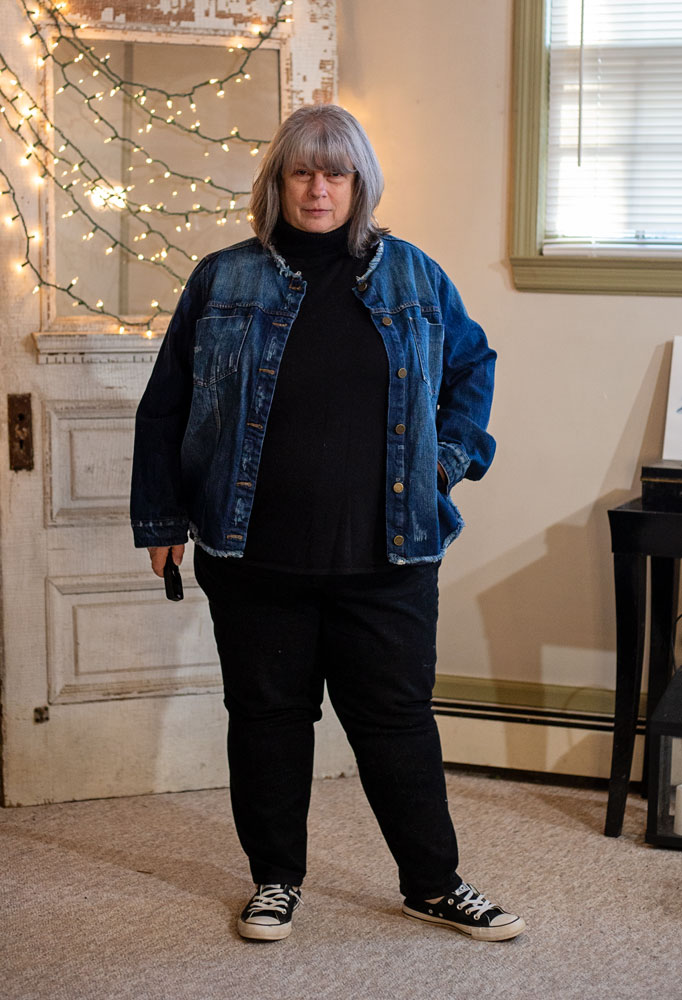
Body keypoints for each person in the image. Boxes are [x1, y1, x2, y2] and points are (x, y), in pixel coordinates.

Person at [130, 104, 525, 944]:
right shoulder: (222, 280)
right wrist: (160, 515)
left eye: (334, 172)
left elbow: (472, 369)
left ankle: (434, 882)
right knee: (268, 720)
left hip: (388, 554)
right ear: (277, 182)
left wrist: (443, 465)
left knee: (397, 723)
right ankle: (275, 881)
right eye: (301, 171)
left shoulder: (415, 276)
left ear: (359, 185)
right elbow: (165, 405)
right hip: (253, 553)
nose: (318, 187)